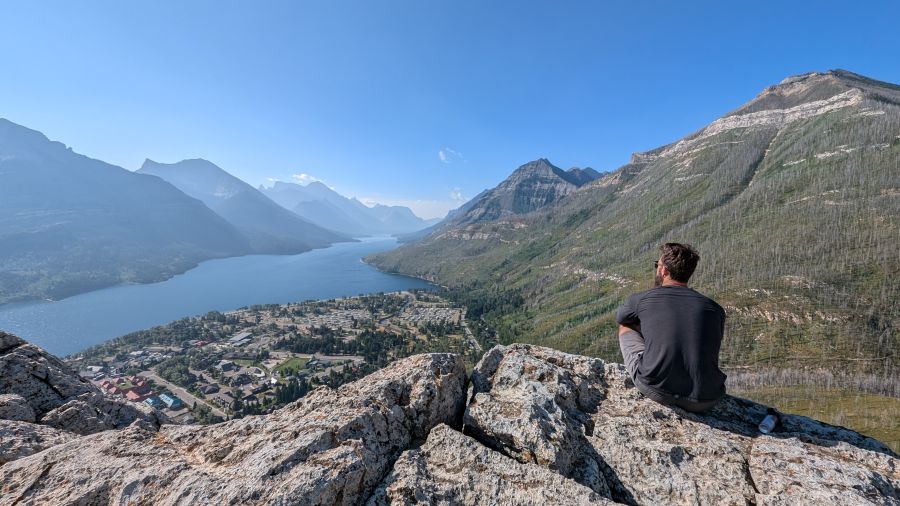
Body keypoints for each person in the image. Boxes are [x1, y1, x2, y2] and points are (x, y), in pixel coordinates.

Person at [615, 242, 726, 412]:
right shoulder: (715, 309)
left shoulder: (643, 299)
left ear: (664, 270)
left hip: (658, 390)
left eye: (657, 265)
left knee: (626, 326)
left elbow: (621, 317)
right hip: (707, 398)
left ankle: (657, 368)